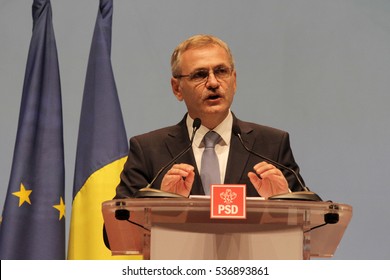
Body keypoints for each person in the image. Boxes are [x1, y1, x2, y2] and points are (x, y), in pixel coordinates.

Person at [115, 34, 305, 199]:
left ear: (234, 80)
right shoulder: (148, 150)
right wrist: (162, 203)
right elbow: (114, 230)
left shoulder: (271, 145)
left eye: (221, 71)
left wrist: (284, 197)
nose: (213, 83)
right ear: (177, 88)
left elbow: (317, 221)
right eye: (200, 75)